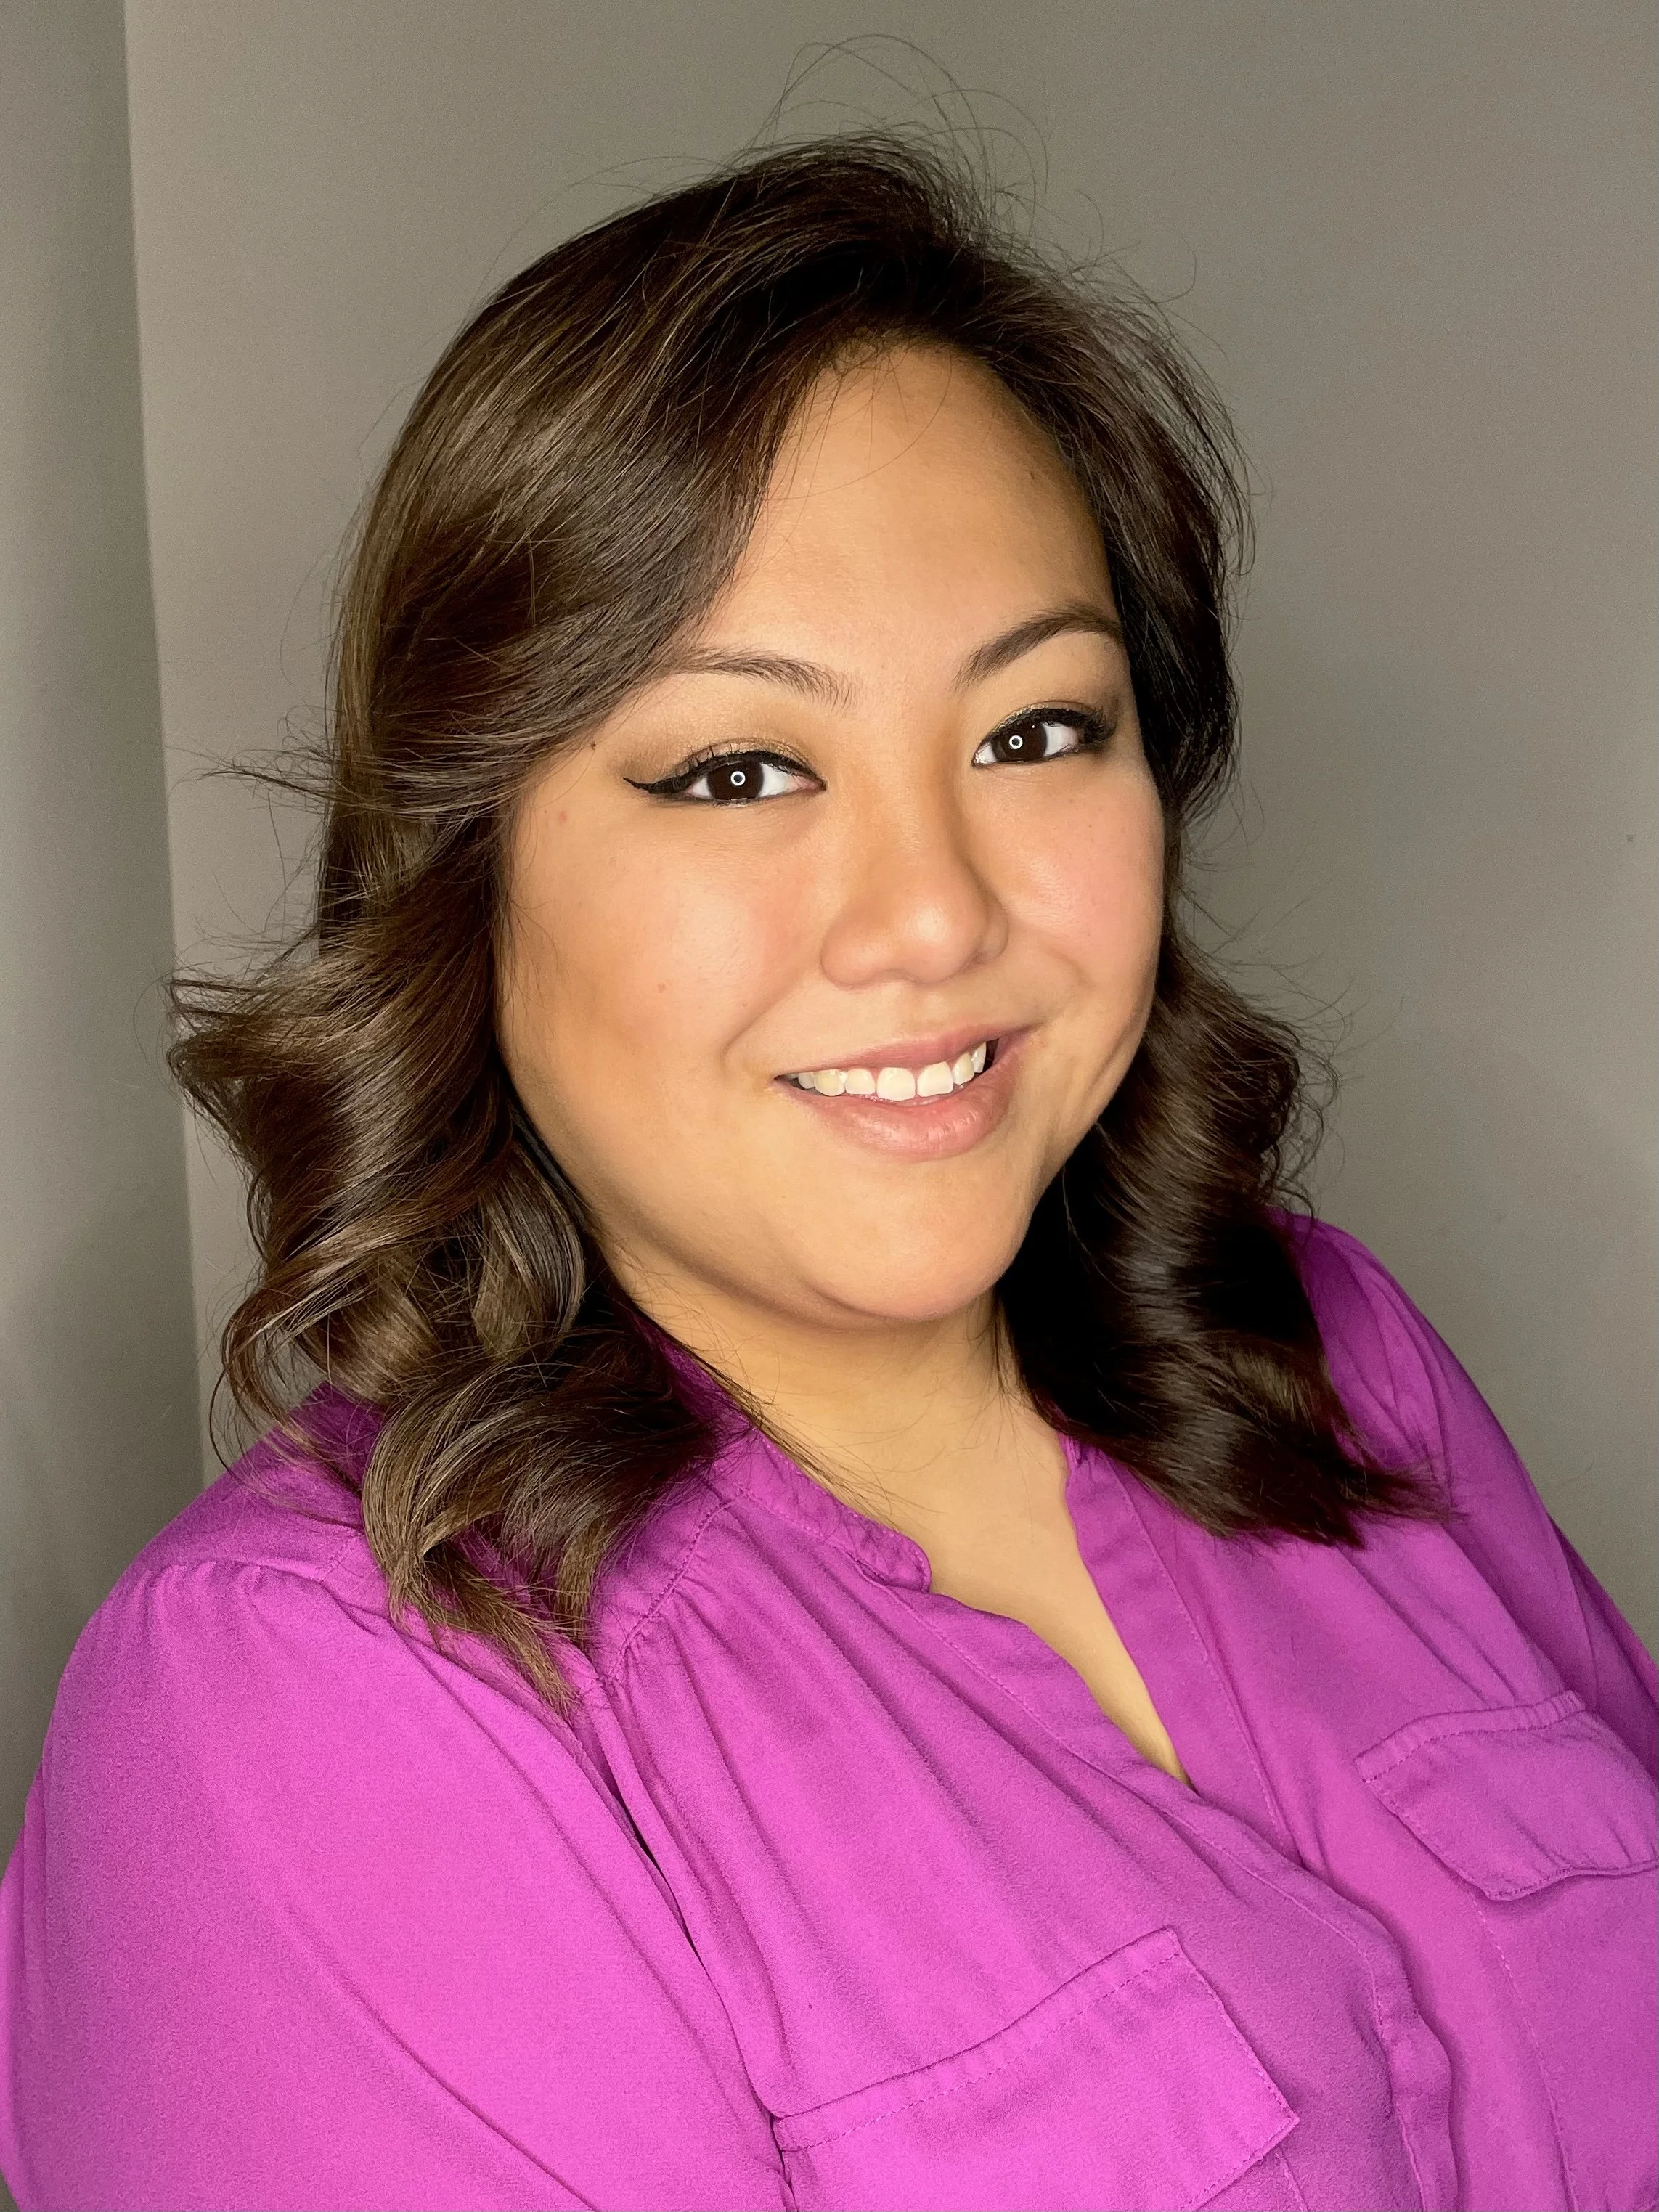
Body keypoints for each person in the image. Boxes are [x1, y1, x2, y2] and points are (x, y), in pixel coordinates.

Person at [1, 135, 1652, 2212]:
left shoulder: (1325, 1348)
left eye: (1036, 732)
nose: (933, 915)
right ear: (468, 870)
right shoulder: (307, 1717)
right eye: (738, 768)